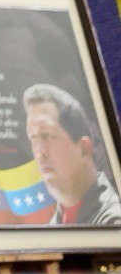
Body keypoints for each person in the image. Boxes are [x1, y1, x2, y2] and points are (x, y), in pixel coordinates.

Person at [23, 83, 121, 225]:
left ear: (84, 149)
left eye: (47, 135)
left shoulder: (113, 224)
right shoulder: (52, 226)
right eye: (32, 137)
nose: (39, 152)